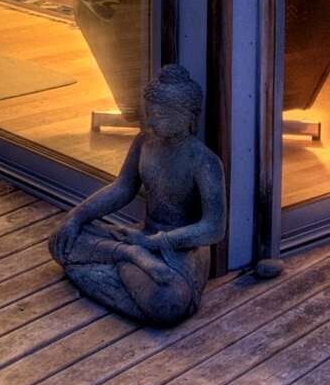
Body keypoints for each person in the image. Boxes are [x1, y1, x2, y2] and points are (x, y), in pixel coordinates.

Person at [48, 62, 224, 327]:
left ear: (188, 116)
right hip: (138, 236)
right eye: (149, 113)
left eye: (161, 115)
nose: (151, 121)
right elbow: (122, 187)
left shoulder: (204, 161)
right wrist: (77, 215)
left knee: (169, 302)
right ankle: (129, 258)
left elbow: (213, 228)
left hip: (181, 249)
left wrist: (155, 243)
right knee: (60, 239)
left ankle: (116, 261)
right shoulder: (143, 143)